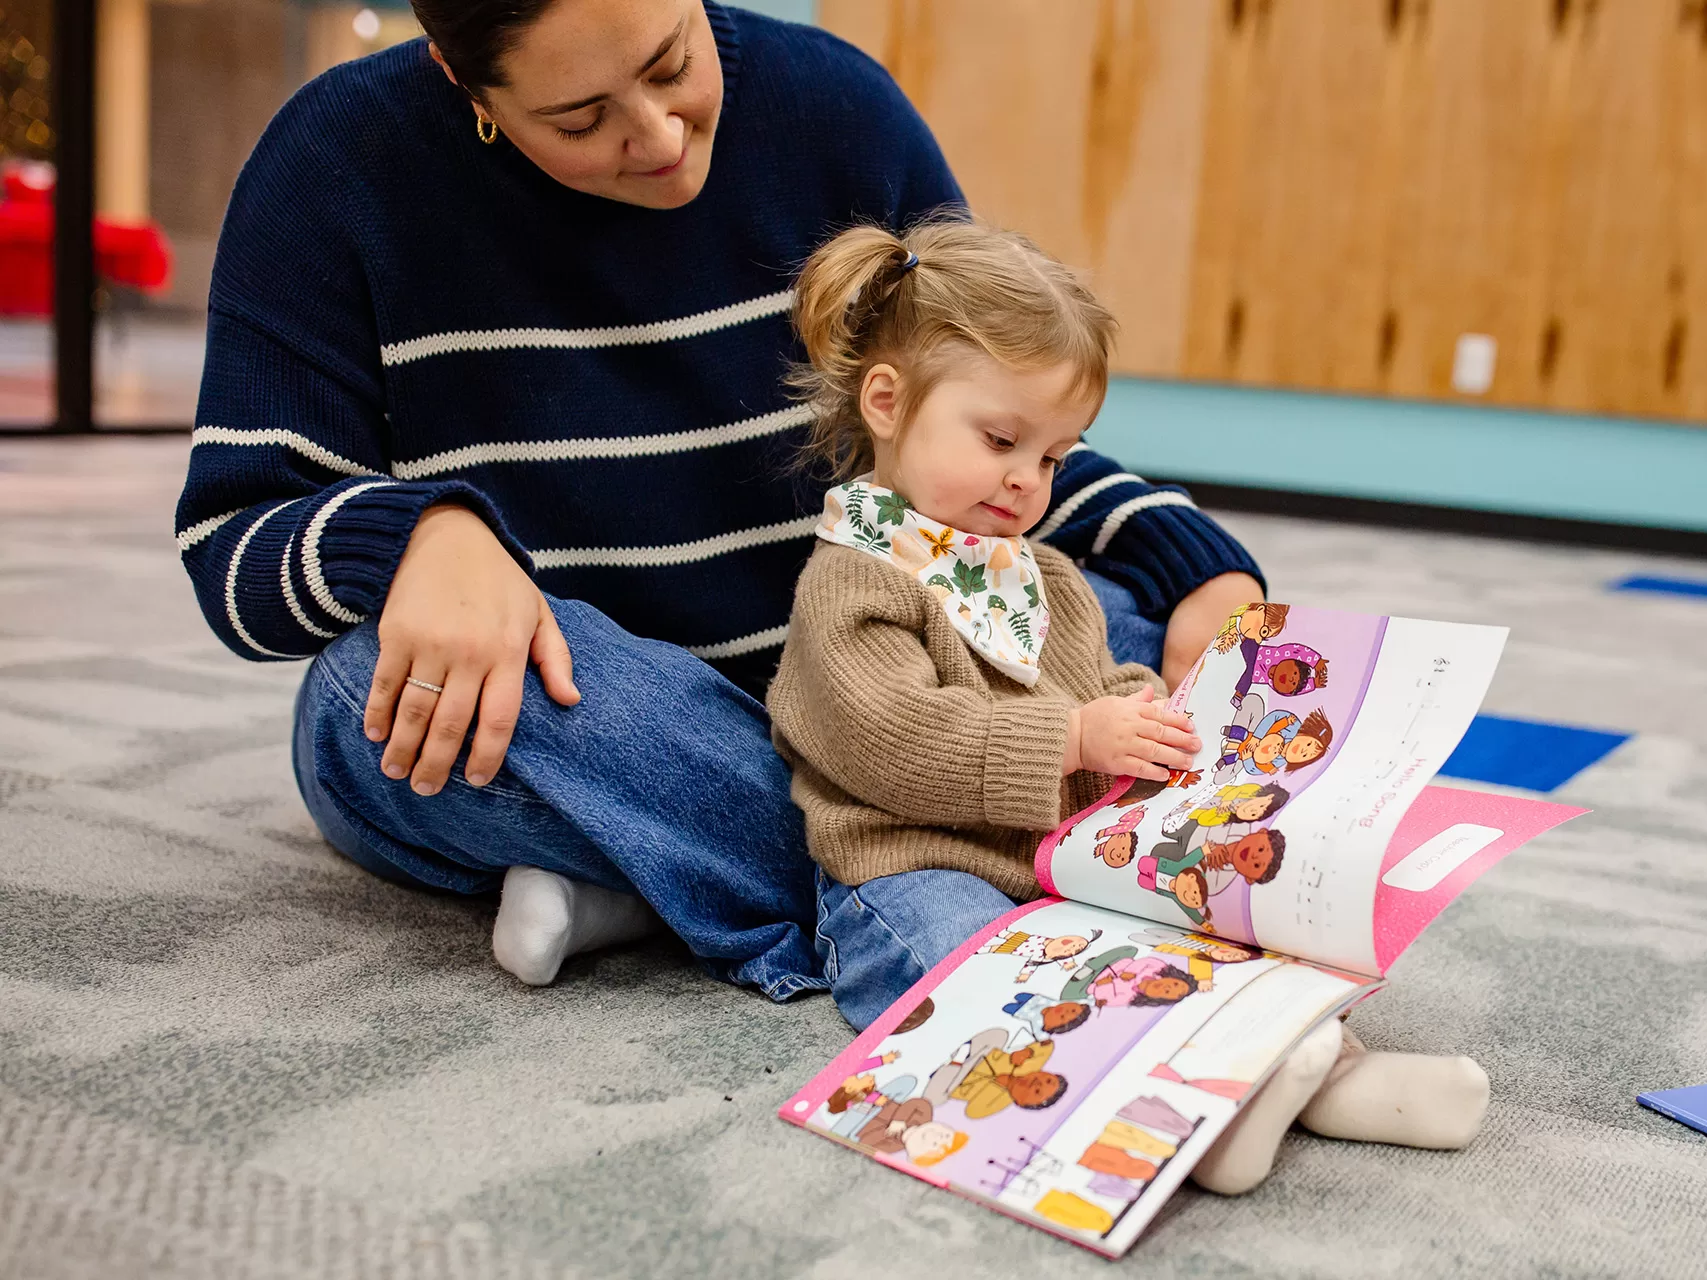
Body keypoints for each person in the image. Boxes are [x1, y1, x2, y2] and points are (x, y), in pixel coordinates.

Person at [173, 0, 1266, 999]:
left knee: (1101, 617)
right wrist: (418, 538)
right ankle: (955, 859)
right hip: (611, 707)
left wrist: (1192, 562)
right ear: (467, 84)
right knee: (368, 696)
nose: (654, 136)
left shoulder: (836, 106)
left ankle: (662, 876)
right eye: (581, 114)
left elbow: (983, 427)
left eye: (671, 66)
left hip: (879, 668)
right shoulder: (333, 163)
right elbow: (234, 539)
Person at [766, 218, 1207, 1026]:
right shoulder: (854, 579)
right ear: (889, 403)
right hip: (913, 867)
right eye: (1001, 440)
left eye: (1051, 458)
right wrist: (1073, 738)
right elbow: (893, 736)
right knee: (983, 976)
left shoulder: (1044, 575)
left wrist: (1156, 724)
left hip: (1052, 860)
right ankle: (1106, 1064)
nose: (1024, 482)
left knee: (1195, 928)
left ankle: (1285, 1063)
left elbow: (1101, 683)